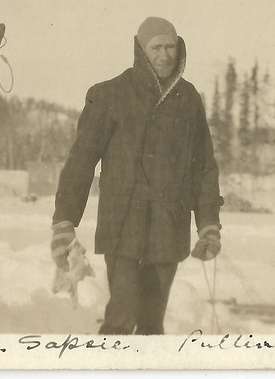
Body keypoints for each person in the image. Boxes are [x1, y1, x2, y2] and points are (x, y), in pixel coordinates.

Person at [51, 17, 224, 335]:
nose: (165, 54)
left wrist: (209, 224)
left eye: (170, 46)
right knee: (122, 315)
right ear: (141, 50)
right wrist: (64, 221)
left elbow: (203, 167)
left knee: (151, 322)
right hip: (123, 224)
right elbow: (81, 161)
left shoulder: (188, 98)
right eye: (156, 47)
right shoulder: (109, 94)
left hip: (168, 224)